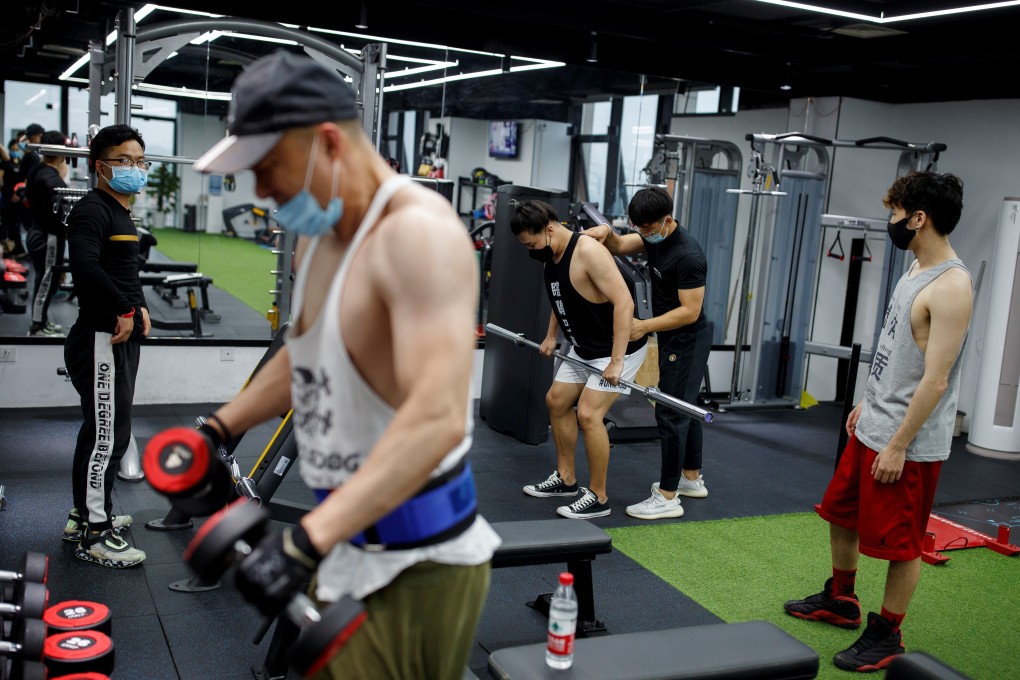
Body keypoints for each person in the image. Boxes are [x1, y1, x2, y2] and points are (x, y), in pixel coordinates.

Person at [188, 50, 500, 678]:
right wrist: (218, 430)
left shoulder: (417, 234)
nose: (260, 190)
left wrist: (305, 540)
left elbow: (438, 419)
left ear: (328, 142)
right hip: (345, 536)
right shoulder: (315, 235)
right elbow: (306, 357)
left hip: (417, 561)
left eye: (267, 167)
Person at [783, 171, 971, 672]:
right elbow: (897, 349)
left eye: (895, 212)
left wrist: (899, 444)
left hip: (907, 442)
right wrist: (868, 401)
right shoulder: (915, 269)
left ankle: (888, 634)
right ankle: (841, 599)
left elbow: (936, 381)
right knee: (841, 515)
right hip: (874, 425)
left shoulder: (952, 287)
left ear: (918, 218)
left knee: (901, 545)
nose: (890, 220)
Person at [510, 199, 647, 519]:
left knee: (588, 413)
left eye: (531, 244)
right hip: (584, 347)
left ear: (548, 229)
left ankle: (599, 497)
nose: (530, 251)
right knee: (556, 401)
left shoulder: (588, 251)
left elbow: (624, 303)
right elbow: (560, 297)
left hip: (617, 349)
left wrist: (616, 361)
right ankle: (566, 479)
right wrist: (551, 336)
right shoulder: (551, 255)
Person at [583, 186, 712, 520]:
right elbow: (621, 244)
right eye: (638, 226)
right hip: (674, 335)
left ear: (667, 220)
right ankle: (691, 479)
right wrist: (606, 232)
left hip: (687, 337)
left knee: (670, 412)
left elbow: (690, 312)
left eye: (647, 227)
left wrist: (644, 326)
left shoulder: (687, 255)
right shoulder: (655, 236)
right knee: (685, 407)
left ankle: (668, 496)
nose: (643, 232)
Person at [63, 123, 152, 568]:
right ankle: (95, 534)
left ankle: (85, 514)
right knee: (106, 437)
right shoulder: (92, 210)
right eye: (124, 160)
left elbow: (122, 270)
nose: (134, 167)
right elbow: (85, 267)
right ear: (100, 167)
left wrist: (139, 305)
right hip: (101, 337)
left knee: (105, 431)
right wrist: (123, 308)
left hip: (117, 335)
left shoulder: (120, 211)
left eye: (139, 160)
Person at [25, 130, 69, 337]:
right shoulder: (49, 176)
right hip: (47, 237)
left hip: (40, 232)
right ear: (61, 152)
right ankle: (37, 326)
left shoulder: (37, 169)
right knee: (46, 281)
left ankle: (41, 320)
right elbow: (55, 189)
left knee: (48, 280)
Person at [1, 137, 28, 259]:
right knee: (9, 223)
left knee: (18, 223)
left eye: (17, 149)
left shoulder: (21, 163)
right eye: (13, 150)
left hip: (19, 197)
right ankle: (13, 248)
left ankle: (19, 249)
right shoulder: (6, 163)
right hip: (8, 197)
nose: (15, 152)